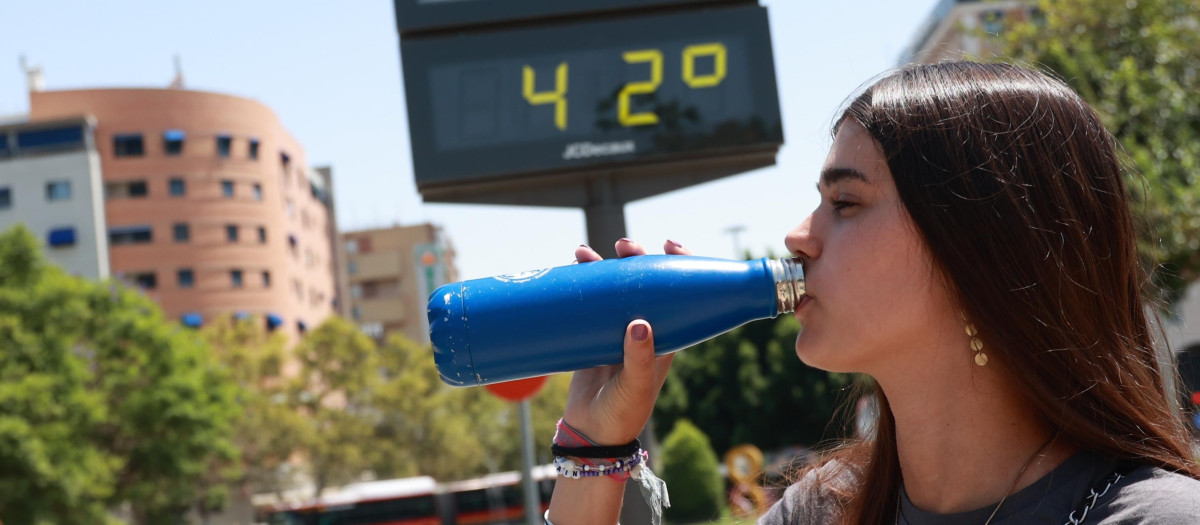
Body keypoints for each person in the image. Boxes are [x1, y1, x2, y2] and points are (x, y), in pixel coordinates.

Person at [544, 61, 1200, 524]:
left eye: (847, 201)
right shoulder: (820, 511)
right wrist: (594, 447)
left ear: (981, 250)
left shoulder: (1153, 516)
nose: (797, 236)